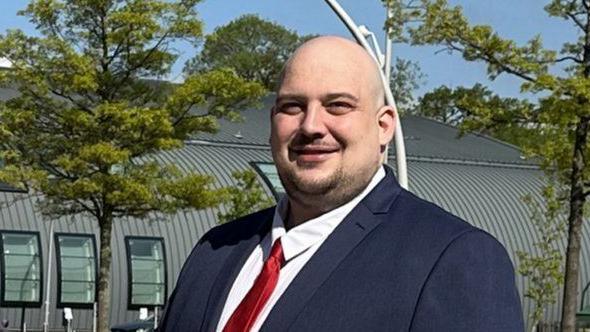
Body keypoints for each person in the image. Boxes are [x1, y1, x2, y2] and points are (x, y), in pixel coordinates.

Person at [158, 36, 524, 331]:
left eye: (337, 105)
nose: (311, 125)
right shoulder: (215, 249)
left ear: (383, 126)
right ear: (272, 122)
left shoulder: (452, 260)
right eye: (292, 106)